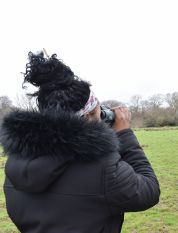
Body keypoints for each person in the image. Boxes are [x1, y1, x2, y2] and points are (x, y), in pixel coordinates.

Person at [0, 52, 160, 233]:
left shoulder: (15, 162)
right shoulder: (102, 167)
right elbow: (149, 190)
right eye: (99, 112)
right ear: (90, 115)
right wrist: (124, 133)